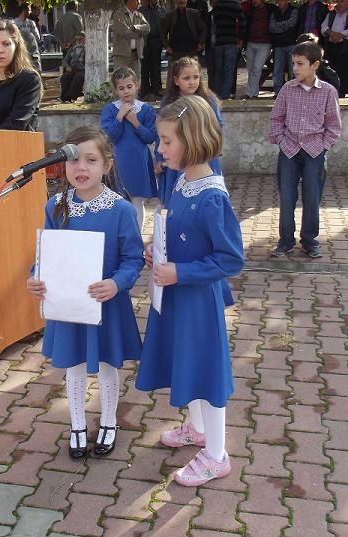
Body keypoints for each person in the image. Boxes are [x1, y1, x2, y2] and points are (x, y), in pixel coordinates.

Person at [136, 95, 245, 487]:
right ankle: (197, 430)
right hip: (178, 295)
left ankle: (216, 455)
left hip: (197, 300)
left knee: (206, 373)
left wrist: (179, 271)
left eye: (167, 141)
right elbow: (178, 229)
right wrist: (157, 248)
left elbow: (231, 259)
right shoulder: (183, 179)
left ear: (194, 139)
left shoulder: (212, 196)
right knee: (190, 364)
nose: (160, 148)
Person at [26, 126, 144, 459]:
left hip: (105, 304)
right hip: (69, 306)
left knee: (107, 365)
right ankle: (77, 423)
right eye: (74, 160)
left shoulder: (121, 210)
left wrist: (116, 283)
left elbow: (133, 259)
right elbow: (46, 255)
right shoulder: (55, 206)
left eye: (91, 160)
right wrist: (36, 277)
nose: (81, 168)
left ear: (107, 165)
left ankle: (108, 421)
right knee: (73, 365)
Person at [268, 41, 342, 259]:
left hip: (314, 152)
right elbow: (276, 119)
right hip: (289, 151)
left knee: (312, 198)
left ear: (315, 65)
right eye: (294, 63)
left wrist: (323, 147)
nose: (295, 68)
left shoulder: (328, 92)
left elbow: (334, 126)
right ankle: (285, 241)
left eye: (300, 64)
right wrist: (282, 141)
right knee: (287, 197)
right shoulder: (287, 90)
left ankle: (309, 241)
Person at [157, 56, 223, 207]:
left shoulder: (208, 100)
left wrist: (214, 149)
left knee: (204, 198)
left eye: (196, 77)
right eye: (186, 78)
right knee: (178, 198)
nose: (192, 82)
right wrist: (159, 157)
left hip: (203, 157)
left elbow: (218, 126)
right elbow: (160, 133)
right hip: (178, 157)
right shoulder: (168, 102)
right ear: (176, 80)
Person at [100, 67, 158, 230]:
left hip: (139, 160)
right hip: (119, 161)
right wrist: (119, 117)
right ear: (116, 90)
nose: (126, 91)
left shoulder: (145, 110)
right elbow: (110, 136)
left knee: (137, 200)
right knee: (119, 199)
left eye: (129, 86)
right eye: (121, 88)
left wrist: (135, 121)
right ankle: (121, 234)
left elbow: (150, 137)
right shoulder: (110, 110)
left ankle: (137, 236)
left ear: (137, 85)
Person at [321, 0, 348, 98]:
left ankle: (341, 95)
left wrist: (340, 35)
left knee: (343, 72)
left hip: (345, 47)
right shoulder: (332, 13)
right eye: (338, 1)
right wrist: (331, 33)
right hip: (331, 47)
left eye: (342, 1)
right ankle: (331, 94)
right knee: (330, 71)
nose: (339, 4)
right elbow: (323, 27)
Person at [112, 0, 151, 80]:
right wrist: (139, 34)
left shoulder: (139, 15)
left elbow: (147, 28)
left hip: (136, 54)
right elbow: (124, 31)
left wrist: (136, 27)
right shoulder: (118, 14)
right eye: (137, 1)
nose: (139, 3)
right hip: (122, 54)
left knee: (135, 80)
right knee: (120, 79)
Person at [243, 0, 274, 98]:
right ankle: (250, 93)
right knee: (250, 68)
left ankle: (254, 93)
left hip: (265, 42)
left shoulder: (270, 9)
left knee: (257, 67)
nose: (254, 2)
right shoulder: (250, 10)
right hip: (251, 42)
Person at [269, 0, 299, 97]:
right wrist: (284, 26)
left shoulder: (294, 10)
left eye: (281, 1)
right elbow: (271, 27)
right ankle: (278, 92)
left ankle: (293, 92)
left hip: (291, 44)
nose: (279, 3)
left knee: (293, 70)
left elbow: (292, 23)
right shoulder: (275, 12)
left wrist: (279, 27)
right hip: (278, 45)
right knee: (277, 70)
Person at [139, 0, 167, 100]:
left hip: (157, 41)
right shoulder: (141, 10)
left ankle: (157, 90)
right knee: (144, 66)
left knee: (156, 66)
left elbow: (165, 27)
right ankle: (144, 90)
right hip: (145, 41)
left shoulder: (163, 11)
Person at [14, 3, 42, 71]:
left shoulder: (31, 23)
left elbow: (37, 36)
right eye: (29, 10)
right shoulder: (14, 23)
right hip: (20, 50)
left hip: (32, 50)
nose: (30, 12)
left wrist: (39, 44)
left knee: (35, 68)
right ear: (24, 10)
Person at [60, 31, 85, 102]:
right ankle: (64, 97)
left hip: (82, 69)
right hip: (72, 68)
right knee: (64, 77)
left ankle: (71, 96)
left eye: (80, 39)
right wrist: (67, 66)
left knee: (78, 78)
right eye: (76, 39)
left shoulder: (86, 49)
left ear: (84, 39)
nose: (78, 41)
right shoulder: (72, 49)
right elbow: (65, 60)